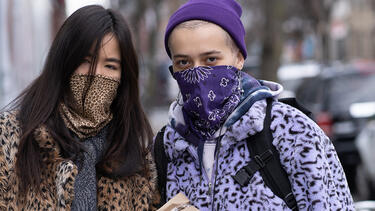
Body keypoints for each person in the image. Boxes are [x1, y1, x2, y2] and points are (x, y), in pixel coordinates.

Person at [155, 0, 354, 210]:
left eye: (211, 59)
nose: (198, 72)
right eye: (184, 63)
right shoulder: (166, 146)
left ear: (239, 58)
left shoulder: (292, 132)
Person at [0, 5, 159, 210]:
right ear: (65, 61)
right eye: (86, 61)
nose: (95, 74)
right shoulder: (11, 138)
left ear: (124, 77)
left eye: (110, 66)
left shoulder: (135, 159)